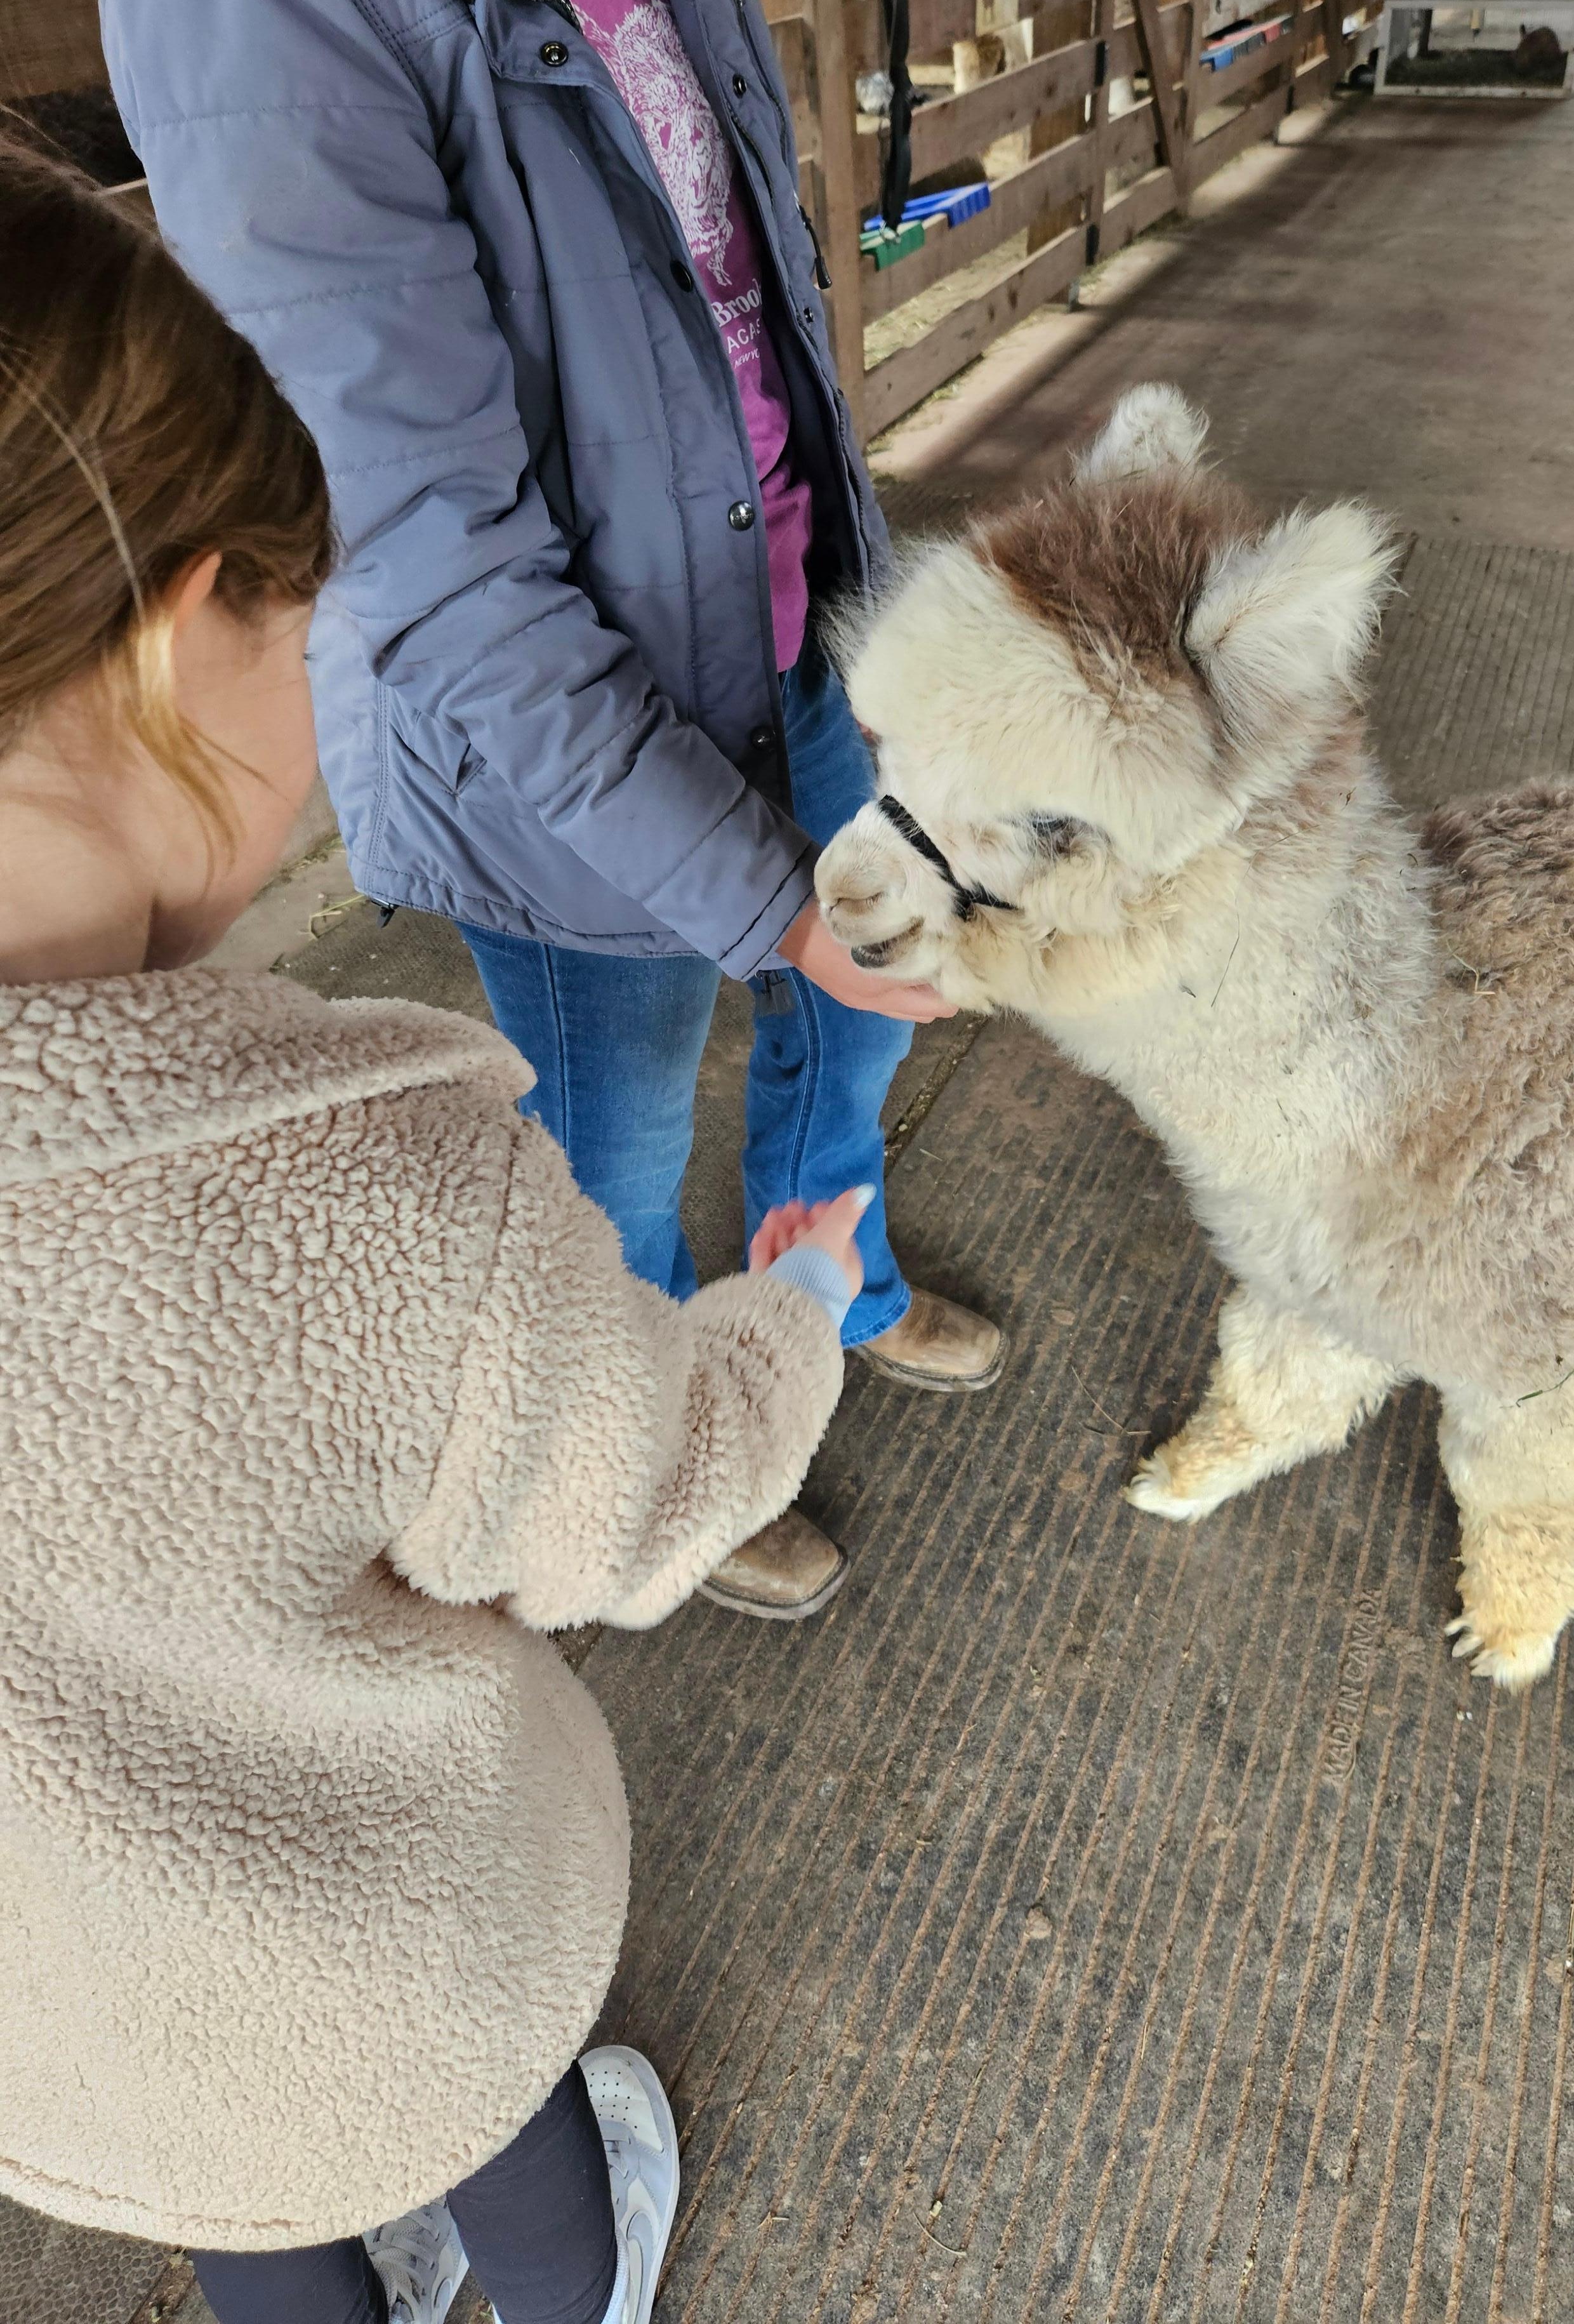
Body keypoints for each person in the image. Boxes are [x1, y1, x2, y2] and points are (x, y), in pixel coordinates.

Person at [0, 139, 873, 2324]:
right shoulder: (358, 1192)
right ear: (183, 628)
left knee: (246, 2187)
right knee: (463, 2100)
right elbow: (634, 1495)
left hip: (65, 2026)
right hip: (389, 1948)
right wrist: (793, 1310)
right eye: (322, 626)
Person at [58, 0, 1006, 1622]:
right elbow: (426, 542)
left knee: (870, 1003)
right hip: (557, 722)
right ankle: (666, 1456)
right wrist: (759, 896)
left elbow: (734, 258)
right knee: (616, 1139)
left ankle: (836, 1285)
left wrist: (862, 600)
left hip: (786, 588)